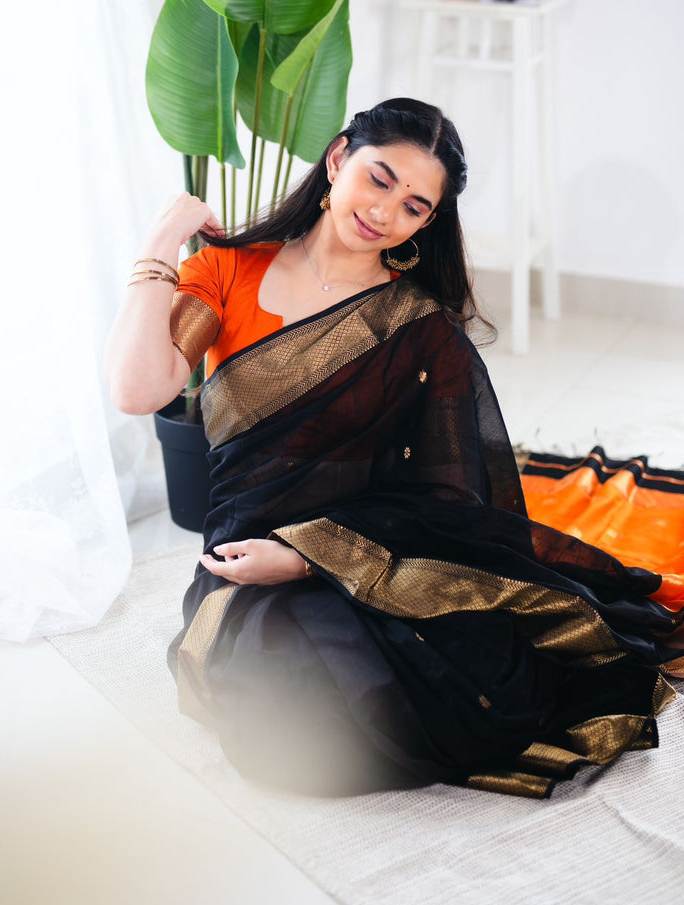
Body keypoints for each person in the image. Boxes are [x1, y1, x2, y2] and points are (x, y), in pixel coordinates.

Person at [105, 98, 683, 799]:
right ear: (338, 158)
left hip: (369, 555)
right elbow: (138, 389)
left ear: (426, 224)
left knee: (461, 683)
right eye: (379, 178)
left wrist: (306, 556)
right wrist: (162, 239)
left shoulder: (416, 327)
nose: (384, 212)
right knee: (282, 716)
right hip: (243, 560)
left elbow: (442, 500)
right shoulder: (230, 271)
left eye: (414, 206)